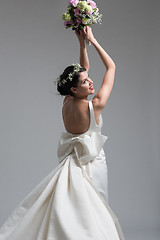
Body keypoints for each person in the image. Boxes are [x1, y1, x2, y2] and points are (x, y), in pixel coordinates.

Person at [0, 26, 125, 240]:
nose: (91, 81)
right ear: (75, 89)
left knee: (75, 209)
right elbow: (111, 67)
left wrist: (80, 44)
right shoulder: (95, 105)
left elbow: (82, 69)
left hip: (73, 160)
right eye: (86, 82)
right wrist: (92, 41)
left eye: (88, 79)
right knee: (97, 207)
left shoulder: (67, 101)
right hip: (93, 162)